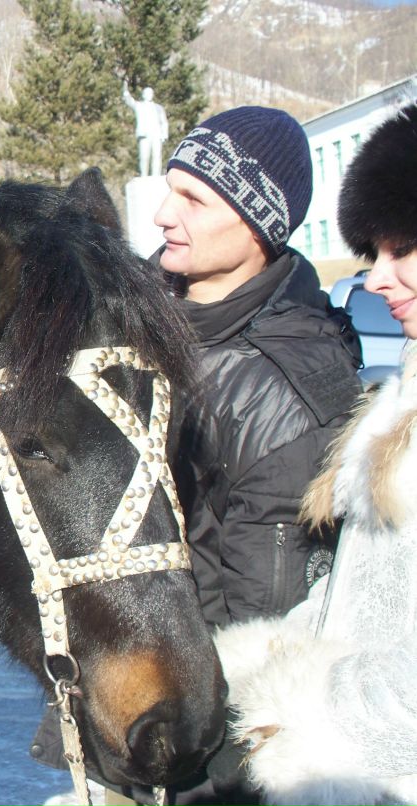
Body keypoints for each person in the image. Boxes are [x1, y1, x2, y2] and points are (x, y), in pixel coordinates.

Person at [215, 102, 417, 806]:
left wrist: (310, 722)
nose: (378, 279)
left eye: (403, 250)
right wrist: (248, 669)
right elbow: (352, 605)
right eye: (374, 255)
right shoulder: (399, 402)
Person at [123, 84, 169, 176]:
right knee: (144, 157)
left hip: (157, 135)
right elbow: (129, 101)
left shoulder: (159, 108)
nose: (149, 95)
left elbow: (164, 122)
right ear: (143, 95)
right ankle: (144, 175)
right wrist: (125, 90)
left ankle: (156, 175)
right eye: (147, 93)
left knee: (157, 156)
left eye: (151, 93)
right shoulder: (139, 106)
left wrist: (164, 134)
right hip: (144, 135)